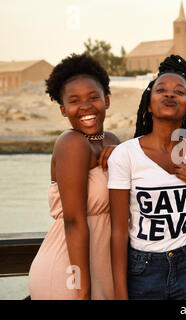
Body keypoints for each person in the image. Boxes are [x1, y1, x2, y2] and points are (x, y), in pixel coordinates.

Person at [108, 55, 186, 300]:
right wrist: (120, 293)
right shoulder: (125, 154)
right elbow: (118, 231)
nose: (170, 95)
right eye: (161, 90)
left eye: (179, 91)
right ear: (149, 104)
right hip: (142, 269)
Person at [28, 54, 120, 299]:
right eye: (74, 100)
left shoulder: (112, 142)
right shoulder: (71, 143)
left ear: (107, 100)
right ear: (63, 109)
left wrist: (123, 157)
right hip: (69, 273)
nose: (86, 106)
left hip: (104, 269)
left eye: (93, 97)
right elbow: (74, 221)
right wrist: (82, 291)